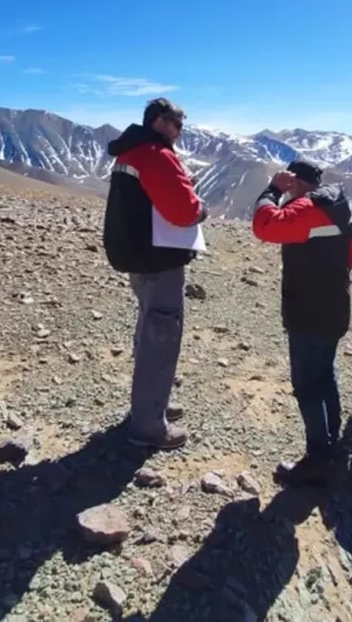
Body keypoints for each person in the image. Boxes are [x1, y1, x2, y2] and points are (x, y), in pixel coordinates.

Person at [103, 97, 207, 450]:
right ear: (161, 122)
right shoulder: (155, 154)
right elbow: (183, 210)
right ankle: (149, 424)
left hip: (138, 256)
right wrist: (199, 207)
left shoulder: (130, 151)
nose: (180, 133)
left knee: (149, 328)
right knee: (161, 336)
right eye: (178, 126)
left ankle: (150, 405)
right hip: (157, 258)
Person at [252, 160, 352, 486]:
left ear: (295, 182)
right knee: (324, 372)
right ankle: (331, 437)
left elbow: (264, 226)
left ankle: (318, 457)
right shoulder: (342, 205)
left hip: (308, 310)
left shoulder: (307, 208)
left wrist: (272, 189)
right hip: (335, 306)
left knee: (306, 384)